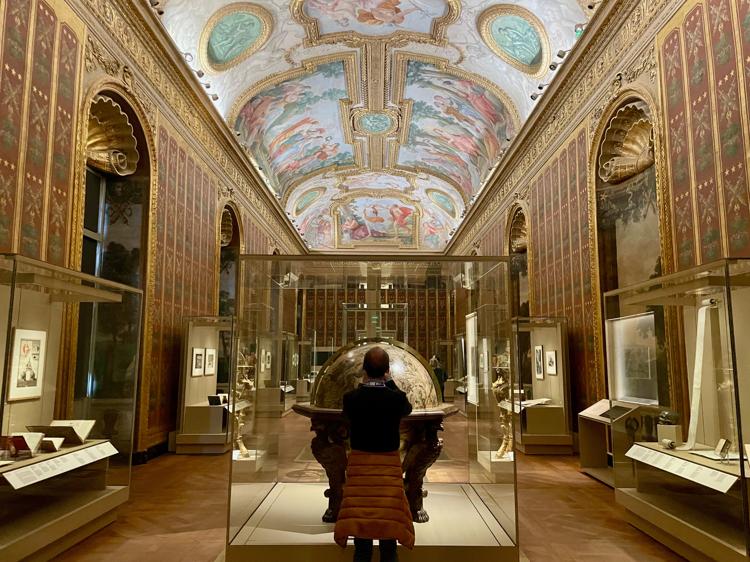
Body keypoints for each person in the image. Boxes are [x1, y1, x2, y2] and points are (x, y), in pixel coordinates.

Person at [334, 347, 414, 562]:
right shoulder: (396, 399)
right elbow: (407, 408)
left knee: (361, 544)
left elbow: (347, 416)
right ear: (387, 370)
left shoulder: (351, 399)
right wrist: (389, 382)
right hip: (387, 469)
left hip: (361, 470)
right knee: (389, 539)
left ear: (363, 370)